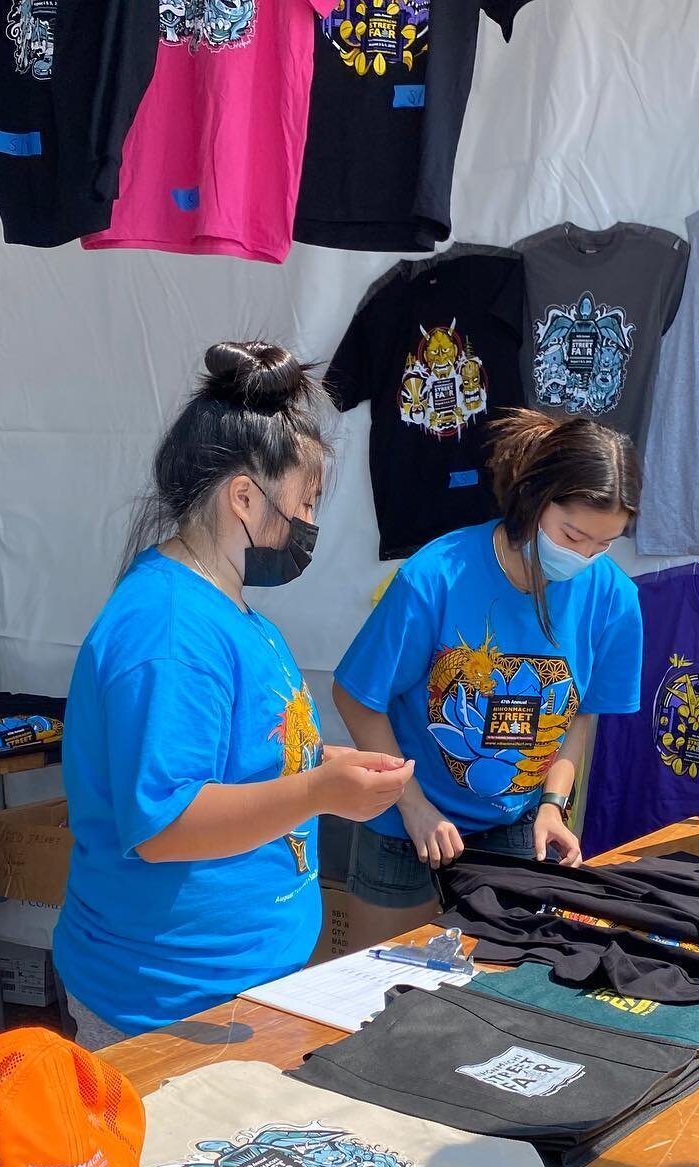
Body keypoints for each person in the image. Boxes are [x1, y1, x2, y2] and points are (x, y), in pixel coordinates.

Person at [54, 342, 413, 1046]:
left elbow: (246, 762)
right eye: (304, 503)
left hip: (235, 990)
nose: (308, 525)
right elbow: (165, 825)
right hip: (168, 1005)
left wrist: (322, 766)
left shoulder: (234, 617)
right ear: (244, 497)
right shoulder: (169, 632)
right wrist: (316, 793)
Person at [333, 410, 643, 940]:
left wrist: (552, 805)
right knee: (377, 987)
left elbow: (578, 715)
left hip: (515, 820)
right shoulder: (436, 576)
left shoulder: (614, 597)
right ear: (533, 498)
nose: (585, 558)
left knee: (490, 989)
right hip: (403, 817)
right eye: (573, 536)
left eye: (604, 545)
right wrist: (412, 805)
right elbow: (357, 696)